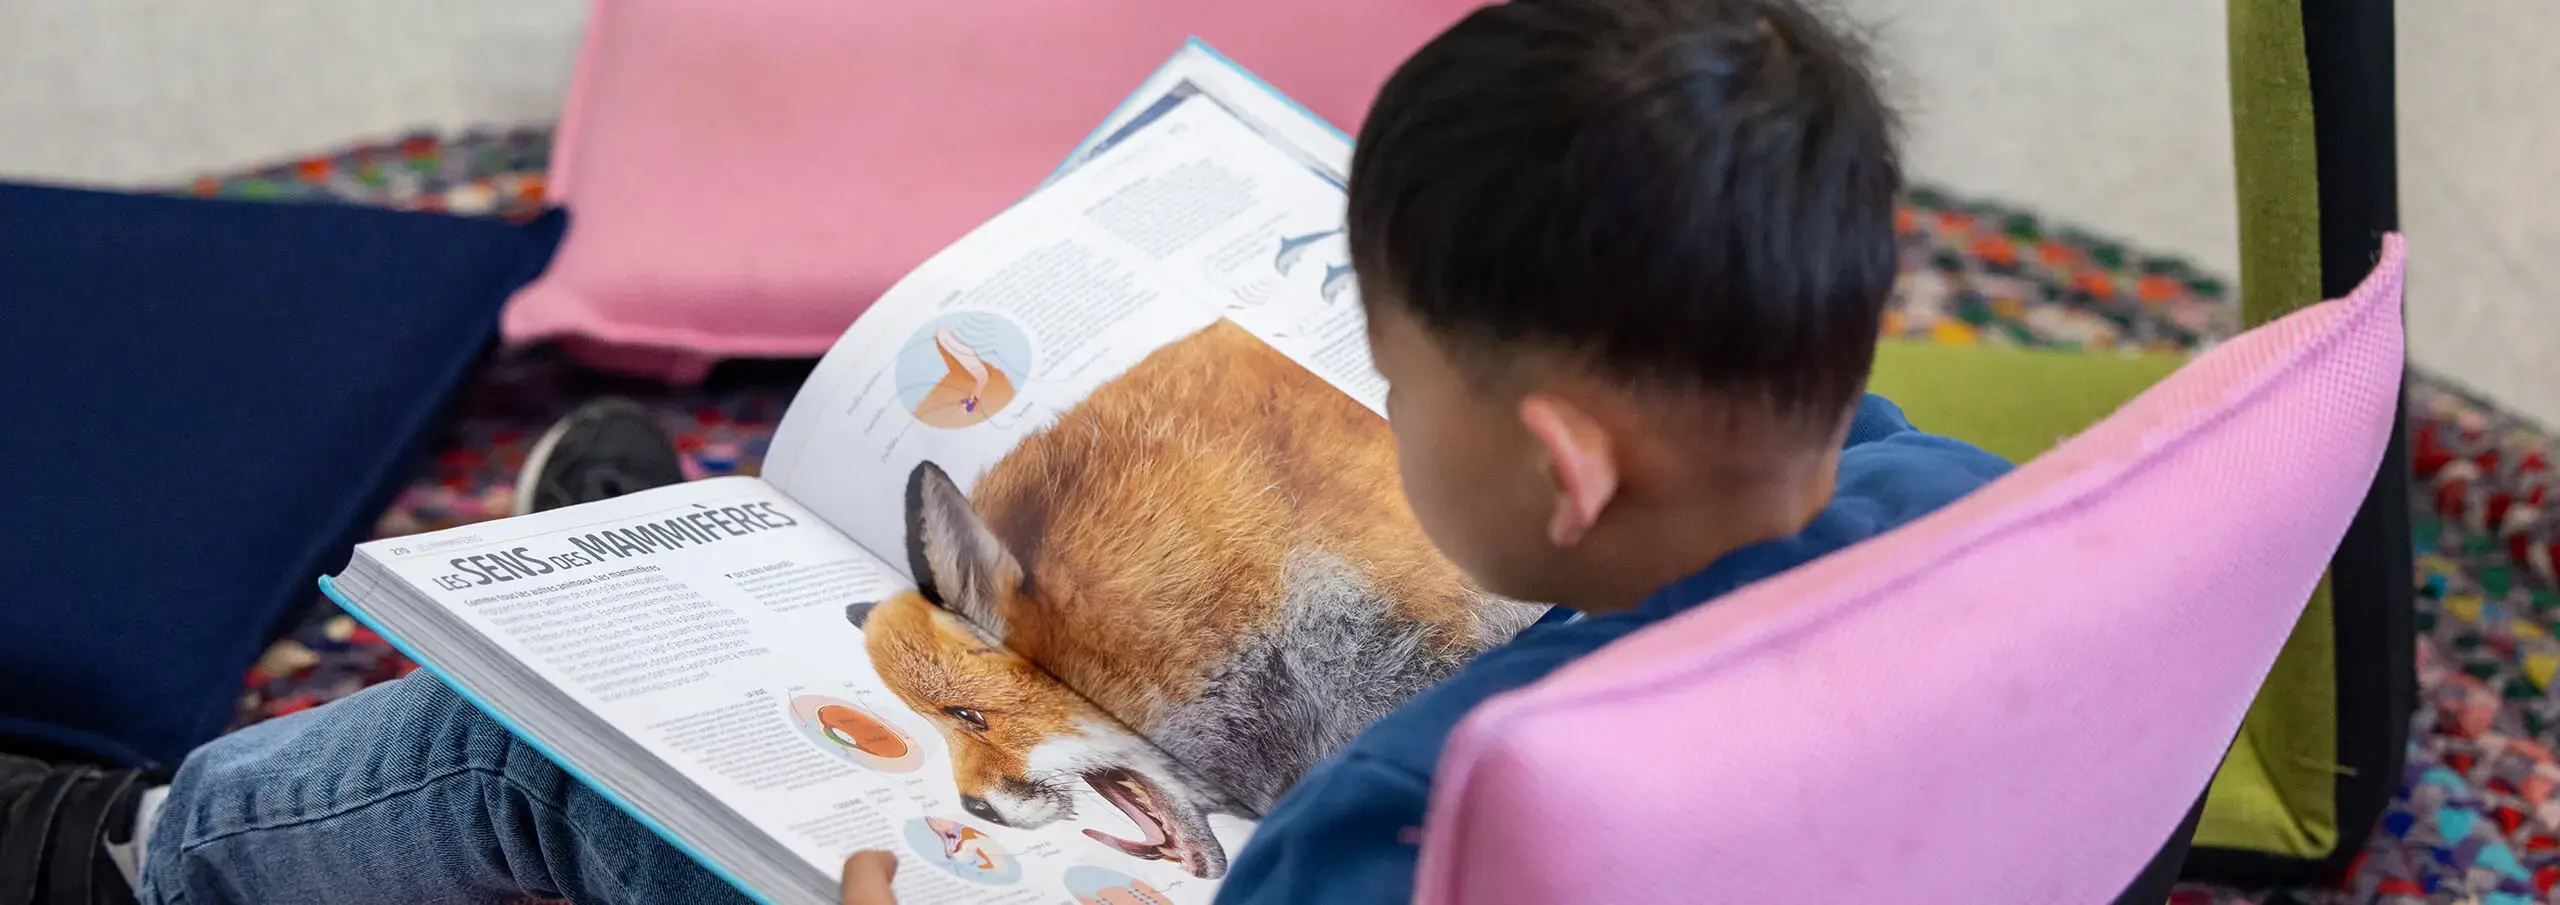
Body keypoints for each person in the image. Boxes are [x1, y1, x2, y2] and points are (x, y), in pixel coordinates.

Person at [6, 0, 2008, 902]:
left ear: (1563, 473)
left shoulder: (1423, 798)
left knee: (578, 773)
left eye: (1395, 385)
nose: (1377, 408)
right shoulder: (1934, 503)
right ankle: (754, 574)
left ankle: (137, 855)